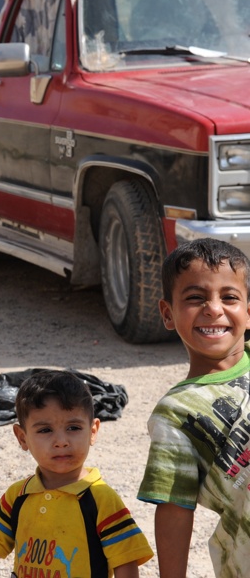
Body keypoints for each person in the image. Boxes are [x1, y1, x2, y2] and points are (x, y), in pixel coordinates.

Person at [0, 370, 152, 577]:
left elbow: (126, 562)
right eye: (45, 430)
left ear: (93, 431)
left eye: (74, 427)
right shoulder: (19, 496)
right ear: (22, 438)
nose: (61, 441)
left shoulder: (101, 499)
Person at [138, 237, 250, 578]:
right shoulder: (176, 412)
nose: (213, 308)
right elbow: (174, 506)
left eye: (229, 297)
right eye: (195, 298)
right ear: (168, 314)